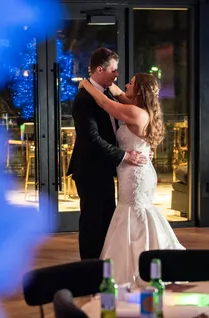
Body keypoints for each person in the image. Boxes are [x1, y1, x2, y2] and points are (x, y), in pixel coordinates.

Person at [78, 72, 184, 286]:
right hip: (133, 169)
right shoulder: (141, 109)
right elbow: (118, 94)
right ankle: (136, 262)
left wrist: (86, 84)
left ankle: (136, 266)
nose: (126, 84)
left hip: (135, 173)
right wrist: (108, 82)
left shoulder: (136, 113)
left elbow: (104, 102)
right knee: (132, 213)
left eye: (131, 83)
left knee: (135, 213)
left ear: (139, 91)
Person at [68, 48, 147, 260]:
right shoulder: (85, 98)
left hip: (105, 167)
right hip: (91, 169)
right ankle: (90, 269)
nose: (116, 75)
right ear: (100, 69)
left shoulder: (105, 93)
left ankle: (105, 264)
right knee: (92, 222)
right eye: (113, 70)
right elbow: (92, 140)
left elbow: (112, 101)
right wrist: (124, 156)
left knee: (106, 219)